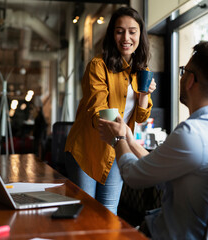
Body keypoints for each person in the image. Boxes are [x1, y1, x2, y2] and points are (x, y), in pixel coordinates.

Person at [98, 40, 208, 239]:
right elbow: (155, 170)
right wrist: (131, 142)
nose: (182, 77)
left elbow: (133, 176)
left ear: (191, 80)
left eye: (184, 71)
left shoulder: (192, 134)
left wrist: (117, 140)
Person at [64, 6, 156, 215]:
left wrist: (144, 93)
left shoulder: (143, 71)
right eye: (119, 31)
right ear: (112, 35)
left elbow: (141, 116)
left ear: (140, 35)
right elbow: (98, 110)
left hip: (115, 149)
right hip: (86, 149)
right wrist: (121, 132)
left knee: (108, 213)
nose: (126, 37)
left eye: (132, 31)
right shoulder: (98, 66)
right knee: (85, 213)